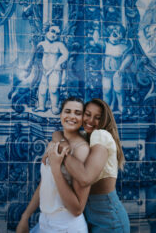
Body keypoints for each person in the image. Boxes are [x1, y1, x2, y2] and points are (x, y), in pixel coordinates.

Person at [47, 98, 130, 232]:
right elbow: (57, 133)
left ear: (104, 120)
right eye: (87, 114)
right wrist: (62, 141)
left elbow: (85, 178)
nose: (90, 120)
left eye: (97, 117)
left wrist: (62, 153)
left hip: (109, 219)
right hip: (92, 217)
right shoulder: (88, 135)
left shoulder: (101, 134)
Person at [16, 97, 90, 233]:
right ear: (61, 114)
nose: (72, 116)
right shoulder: (56, 141)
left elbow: (76, 210)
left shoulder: (81, 149)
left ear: (82, 119)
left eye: (77, 113)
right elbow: (46, 184)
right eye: (67, 111)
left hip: (66, 226)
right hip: (44, 222)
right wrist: (25, 216)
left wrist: (56, 168)